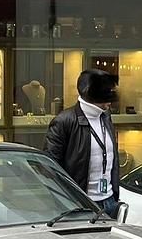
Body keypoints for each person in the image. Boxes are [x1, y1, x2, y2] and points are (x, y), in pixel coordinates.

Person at [45, 69, 120, 217]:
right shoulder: (63, 121)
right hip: (79, 204)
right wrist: (68, 201)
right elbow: (50, 168)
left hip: (109, 201)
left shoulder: (105, 117)